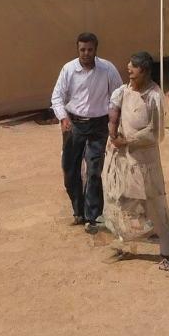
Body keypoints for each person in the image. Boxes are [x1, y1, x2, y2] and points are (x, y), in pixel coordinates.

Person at [104, 51, 169, 271]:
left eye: (133, 69)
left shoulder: (154, 96)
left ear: (143, 71)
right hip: (122, 159)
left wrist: (127, 141)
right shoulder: (123, 91)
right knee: (119, 199)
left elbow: (155, 134)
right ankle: (126, 244)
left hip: (145, 162)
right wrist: (113, 133)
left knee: (154, 203)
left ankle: (167, 254)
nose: (129, 72)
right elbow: (113, 113)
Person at [51, 32, 122, 232]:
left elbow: (117, 96)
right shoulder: (68, 69)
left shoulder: (107, 69)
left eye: (90, 50)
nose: (86, 53)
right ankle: (78, 212)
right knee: (70, 170)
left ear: (96, 50)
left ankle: (92, 216)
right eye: (82, 49)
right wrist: (63, 117)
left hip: (99, 126)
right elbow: (56, 97)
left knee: (93, 171)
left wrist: (113, 121)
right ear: (77, 49)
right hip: (73, 125)